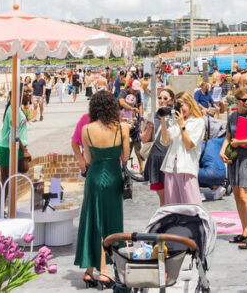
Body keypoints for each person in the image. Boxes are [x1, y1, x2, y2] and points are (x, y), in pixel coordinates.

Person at [75, 91, 130, 288]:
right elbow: (125, 154)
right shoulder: (122, 128)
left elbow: (88, 160)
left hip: (94, 177)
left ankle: (89, 270)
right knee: (111, 221)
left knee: (93, 220)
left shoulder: (87, 129)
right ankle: (105, 270)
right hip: (113, 176)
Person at [221, 87, 247, 249]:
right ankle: (245, 231)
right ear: (237, 101)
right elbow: (227, 138)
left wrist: (239, 142)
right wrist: (222, 150)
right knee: (237, 196)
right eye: (243, 100)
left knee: (246, 197)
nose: (246, 103)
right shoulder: (232, 116)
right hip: (234, 160)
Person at [160, 92, 206, 206]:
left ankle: (195, 224)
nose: (179, 108)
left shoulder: (198, 122)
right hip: (171, 167)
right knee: (172, 206)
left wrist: (182, 125)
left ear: (190, 104)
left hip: (186, 167)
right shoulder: (175, 122)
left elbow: (189, 145)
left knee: (192, 205)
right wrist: (162, 121)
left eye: (181, 105)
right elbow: (165, 141)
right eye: (177, 105)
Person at [142, 87, 176, 206]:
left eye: (165, 98)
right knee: (163, 199)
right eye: (160, 98)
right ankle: (165, 221)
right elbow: (144, 140)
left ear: (171, 101)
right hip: (156, 159)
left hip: (171, 160)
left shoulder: (175, 116)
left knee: (173, 197)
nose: (162, 101)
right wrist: (149, 128)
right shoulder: (152, 116)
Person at [0, 95, 30, 187]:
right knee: (6, 181)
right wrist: (24, 151)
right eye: (24, 92)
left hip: (17, 146)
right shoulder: (14, 111)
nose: (27, 93)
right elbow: (13, 134)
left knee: (23, 168)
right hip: (6, 147)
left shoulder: (18, 109)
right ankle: (0, 202)